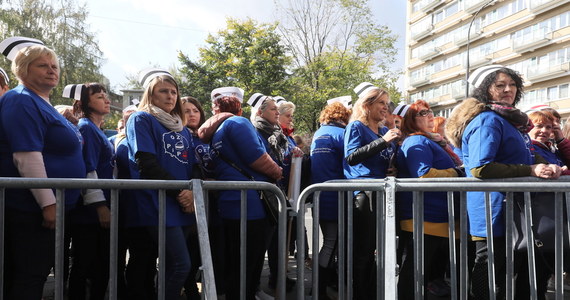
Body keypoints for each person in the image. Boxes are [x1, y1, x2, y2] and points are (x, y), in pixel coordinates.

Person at [445, 65, 561, 299]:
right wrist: (530, 168)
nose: (508, 89)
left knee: (508, 277)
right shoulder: (487, 120)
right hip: (492, 211)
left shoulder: (508, 120)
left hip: (510, 211)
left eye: (512, 85)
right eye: (500, 85)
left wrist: (545, 165)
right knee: (489, 279)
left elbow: (524, 153)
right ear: (485, 89)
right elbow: (480, 167)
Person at [0, 37, 86, 299]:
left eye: (54, 65)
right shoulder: (22, 100)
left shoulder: (39, 101)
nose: (51, 70)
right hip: (30, 209)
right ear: (23, 69)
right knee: (29, 276)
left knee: (32, 274)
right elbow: (27, 157)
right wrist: (48, 203)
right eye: (42, 65)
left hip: (45, 208)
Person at [198, 94, 282, 300]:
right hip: (250, 205)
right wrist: (278, 172)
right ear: (240, 109)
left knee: (238, 263)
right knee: (247, 264)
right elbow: (257, 157)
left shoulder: (217, 131)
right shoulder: (238, 122)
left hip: (233, 203)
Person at [125, 68, 196, 299]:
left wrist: (192, 195)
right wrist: (181, 192)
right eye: (163, 91)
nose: (170, 96)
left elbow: (191, 165)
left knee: (169, 266)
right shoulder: (142, 118)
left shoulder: (182, 127)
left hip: (183, 202)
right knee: (180, 265)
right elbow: (146, 163)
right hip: (159, 202)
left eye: (174, 92)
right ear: (151, 95)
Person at [396, 100, 464, 299]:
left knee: (423, 275)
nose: (430, 115)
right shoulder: (417, 141)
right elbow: (424, 174)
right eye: (423, 113)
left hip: (437, 217)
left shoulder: (429, 140)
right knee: (415, 274)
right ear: (410, 120)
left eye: (430, 111)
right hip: (425, 218)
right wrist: (458, 173)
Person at [344, 82, 400, 299]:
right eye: (381, 103)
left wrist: (393, 168)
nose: (386, 107)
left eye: (387, 103)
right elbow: (352, 157)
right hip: (364, 194)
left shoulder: (385, 129)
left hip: (383, 191)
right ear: (367, 105)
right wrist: (383, 141)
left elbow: (386, 157)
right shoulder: (356, 127)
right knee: (364, 251)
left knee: (382, 250)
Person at [62, 83, 114, 300]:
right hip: (88, 213)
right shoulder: (86, 128)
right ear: (84, 103)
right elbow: (87, 168)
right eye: (100, 96)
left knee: (99, 266)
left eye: (106, 96)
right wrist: (100, 206)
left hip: (96, 211)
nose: (107, 100)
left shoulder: (96, 129)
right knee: (85, 265)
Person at [248, 93, 299, 292]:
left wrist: (294, 155)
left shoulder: (278, 134)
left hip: (278, 194)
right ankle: (254, 288)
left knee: (277, 243)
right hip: (264, 196)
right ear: (260, 112)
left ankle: (276, 281)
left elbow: (283, 159)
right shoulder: (254, 131)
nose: (277, 113)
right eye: (273, 110)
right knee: (260, 246)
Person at [310, 99, 352, 299]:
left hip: (321, 194)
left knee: (328, 243)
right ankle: (318, 290)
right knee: (331, 244)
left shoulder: (319, 134)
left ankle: (318, 288)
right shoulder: (343, 135)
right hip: (338, 196)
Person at [181, 95, 207, 300]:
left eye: (195, 110)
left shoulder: (206, 137)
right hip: (185, 201)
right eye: (187, 110)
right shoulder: (179, 135)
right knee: (184, 255)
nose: (192, 114)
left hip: (208, 203)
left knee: (199, 252)